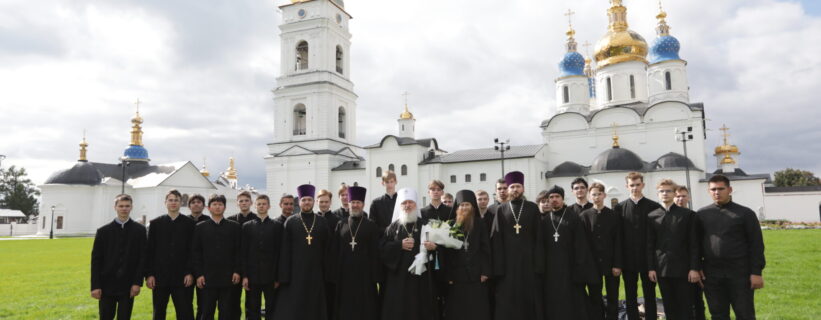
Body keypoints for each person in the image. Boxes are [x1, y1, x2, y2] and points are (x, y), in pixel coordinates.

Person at [694, 175, 765, 320]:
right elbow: (696, 243)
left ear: (730, 189)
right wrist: (697, 267)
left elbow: (756, 244)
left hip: (740, 273)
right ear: (708, 191)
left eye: (721, 188)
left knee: (745, 314)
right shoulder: (701, 214)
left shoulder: (745, 214)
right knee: (718, 314)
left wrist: (756, 272)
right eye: (713, 189)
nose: (717, 192)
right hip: (711, 274)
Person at [490, 171, 544, 320]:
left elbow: (539, 237)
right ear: (508, 189)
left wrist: (539, 264)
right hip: (507, 265)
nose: (515, 189)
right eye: (512, 186)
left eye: (518, 186)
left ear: (523, 188)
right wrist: (498, 268)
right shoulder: (501, 209)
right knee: (508, 298)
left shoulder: (532, 208)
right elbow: (496, 238)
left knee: (529, 297)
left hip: (529, 263)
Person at [379, 188, 439, 320]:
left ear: (416, 204)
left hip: (420, 280)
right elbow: (382, 249)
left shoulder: (425, 225)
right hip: (398, 279)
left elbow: (437, 249)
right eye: (404, 203)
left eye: (410, 202)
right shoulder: (392, 228)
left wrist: (433, 247)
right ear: (400, 206)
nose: (407, 206)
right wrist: (398, 245)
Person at [274, 184, 331, 320]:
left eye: (309, 200)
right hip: (296, 273)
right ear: (299, 202)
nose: (306, 202)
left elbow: (328, 249)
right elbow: (285, 251)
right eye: (304, 200)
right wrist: (284, 276)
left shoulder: (322, 222)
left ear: (313, 202)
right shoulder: (290, 222)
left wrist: (327, 272)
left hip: (316, 273)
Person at [541, 185, 598, 320]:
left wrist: (579, 268)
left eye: (557, 197)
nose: (554, 200)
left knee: (573, 300)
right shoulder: (544, 220)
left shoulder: (573, 217)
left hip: (570, 267)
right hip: (551, 270)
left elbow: (581, 245)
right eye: (551, 197)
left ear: (562, 198)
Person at [647, 179, 699, 320]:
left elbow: (694, 243)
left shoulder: (687, 215)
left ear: (674, 193)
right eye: (662, 191)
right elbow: (650, 244)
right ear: (657, 194)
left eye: (668, 191)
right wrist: (651, 268)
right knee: (669, 307)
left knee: (685, 306)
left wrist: (694, 268)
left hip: (684, 268)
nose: (665, 194)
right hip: (662, 269)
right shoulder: (652, 216)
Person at [328, 186, 381, 320]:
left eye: (358, 202)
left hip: (365, 276)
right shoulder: (341, 224)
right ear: (349, 204)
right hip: (344, 275)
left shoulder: (371, 225)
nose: (355, 205)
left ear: (363, 204)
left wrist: (375, 276)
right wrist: (334, 273)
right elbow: (335, 250)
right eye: (353, 202)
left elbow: (376, 252)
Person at [90, 194, 146, 320]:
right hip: (106, 285)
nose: (124, 209)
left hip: (128, 285)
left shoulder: (140, 231)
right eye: (121, 206)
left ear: (131, 207)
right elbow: (96, 261)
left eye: (127, 206)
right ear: (115, 207)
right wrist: (95, 285)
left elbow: (142, 259)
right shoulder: (103, 231)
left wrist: (137, 283)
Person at [614, 172, 661, 320]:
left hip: (648, 260)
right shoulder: (620, 208)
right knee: (630, 294)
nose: (634, 188)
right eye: (631, 185)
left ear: (643, 185)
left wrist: (654, 262)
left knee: (649, 294)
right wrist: (619, 262)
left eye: (637, 185)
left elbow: (657, 236)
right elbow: (618, 238)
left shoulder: (654, 206)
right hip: (628, 260)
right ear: (627, 186)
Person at [440, 190, 492, 320]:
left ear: (473, 207)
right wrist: (448, 275)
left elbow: (486, 248)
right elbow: (446, 252)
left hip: (476, 275)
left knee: (477, 310)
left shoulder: (480, 224)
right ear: (457, 208)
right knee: (457, 310)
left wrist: (485, 271)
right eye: (461, 205)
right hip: (456, 277)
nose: (464, 208)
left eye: (467, 205)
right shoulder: (451, 225)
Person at [145, 190, 196, 320]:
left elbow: (193, 251)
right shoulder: (155, 223)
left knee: (185, 312)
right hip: (160, 277)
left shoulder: (190, 224)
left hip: (183, 277)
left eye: (176, 200)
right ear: (165, 202)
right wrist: (149, 274)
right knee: (159, 312)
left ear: (181, 203)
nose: (173, 203)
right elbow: (150, 251)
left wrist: (189, 272)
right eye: (171, 200)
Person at [191, 194, 241, 320]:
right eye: (214, 204)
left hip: (228, 277)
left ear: (224, 207)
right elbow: (196, 253)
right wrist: (199, 274)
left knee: (226, 312)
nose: (217, 207)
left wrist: (237, 271)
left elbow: (239, 251)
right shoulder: (200, 227)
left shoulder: (234, 227)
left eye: (220, 204)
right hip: (207, 278)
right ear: (209, 208)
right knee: (206, 312)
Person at [580, 183, 623, 320]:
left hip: (611, 263)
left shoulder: (614, 215)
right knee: (595, 295)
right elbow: (583, 243)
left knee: (612, 295)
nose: (596, 197)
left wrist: (617, 264)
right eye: (593, 194)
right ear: (589, 196)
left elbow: (618, 241)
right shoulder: (584, 216)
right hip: (593, 265)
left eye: (599, 194)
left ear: (604, 195)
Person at [241, 194, 283, 320]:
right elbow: (243, 253)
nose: (261, 206)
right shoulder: (247, 226)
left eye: (264, 204)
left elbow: (279, 253)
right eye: (259, 204)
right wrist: (244, 275)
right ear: (255, 206)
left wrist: (278, 276)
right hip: (252, 276)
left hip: (271, 276)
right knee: (252, 308)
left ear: (269, 206)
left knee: (272, 307)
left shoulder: (277, 226)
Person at [675, 185, 707, 320]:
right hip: (675, 267)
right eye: (677, 196)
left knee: (695, 299)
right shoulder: (667, 216)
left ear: (688, 198)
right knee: (677, 301)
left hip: (691, 265)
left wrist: (696, 267)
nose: (680, 199)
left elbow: (698, 244)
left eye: (683, 196)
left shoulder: (694, 216)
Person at [226, 191, 259, 320]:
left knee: (252, 302)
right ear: (237, 203)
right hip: (234, 266)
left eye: (246, 200)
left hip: (251, 267)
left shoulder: (257, 220)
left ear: (251, 203)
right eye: (241, 201)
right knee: (233, 301)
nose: (244, 203)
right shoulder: (230, 221)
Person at [420, 180, 452, 316]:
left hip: (446, 255)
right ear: (428, 192)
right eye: (433, 189)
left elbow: (453, 234)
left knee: (446, 292)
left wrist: (439, 245)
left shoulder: (450, 211)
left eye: (438, 189)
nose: (436, 192)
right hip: (429, 256)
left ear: (442, 192)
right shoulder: (422, 212)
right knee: (431, 291)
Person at [316, 188, 340, 320]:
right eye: (321, 202)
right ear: (317, 202)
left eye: (326, 202)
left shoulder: (337, 220)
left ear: (330, 202)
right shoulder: (312, 219)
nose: (324, 204)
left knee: (330, 299)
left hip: (331, 267)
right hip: (315, 267)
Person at [186, 193, 209, 319]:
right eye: (193, 202)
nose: (196, 204)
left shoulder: (209, 221)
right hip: (187, 269)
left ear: (204, 206)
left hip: (204, 269)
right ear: (189, 206)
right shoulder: (184, 222)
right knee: (186, 303)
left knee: (204, 303)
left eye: (199, 202)